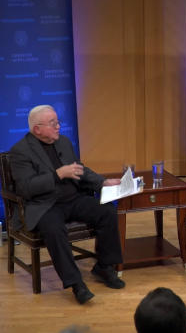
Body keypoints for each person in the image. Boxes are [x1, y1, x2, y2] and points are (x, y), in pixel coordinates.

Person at [9, 105, 125, 304]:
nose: (58, 126)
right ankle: (76, 283)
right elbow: (26, 187)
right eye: (53, 123)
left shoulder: (63, 142)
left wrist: (102, 182)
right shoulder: (20, 151)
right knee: (54, 229)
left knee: (107, 210)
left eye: (58, 122)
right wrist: (57, 174)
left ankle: (104, 267)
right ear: (37, 129)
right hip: (45, 205)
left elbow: (80, 170)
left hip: (75, 198)